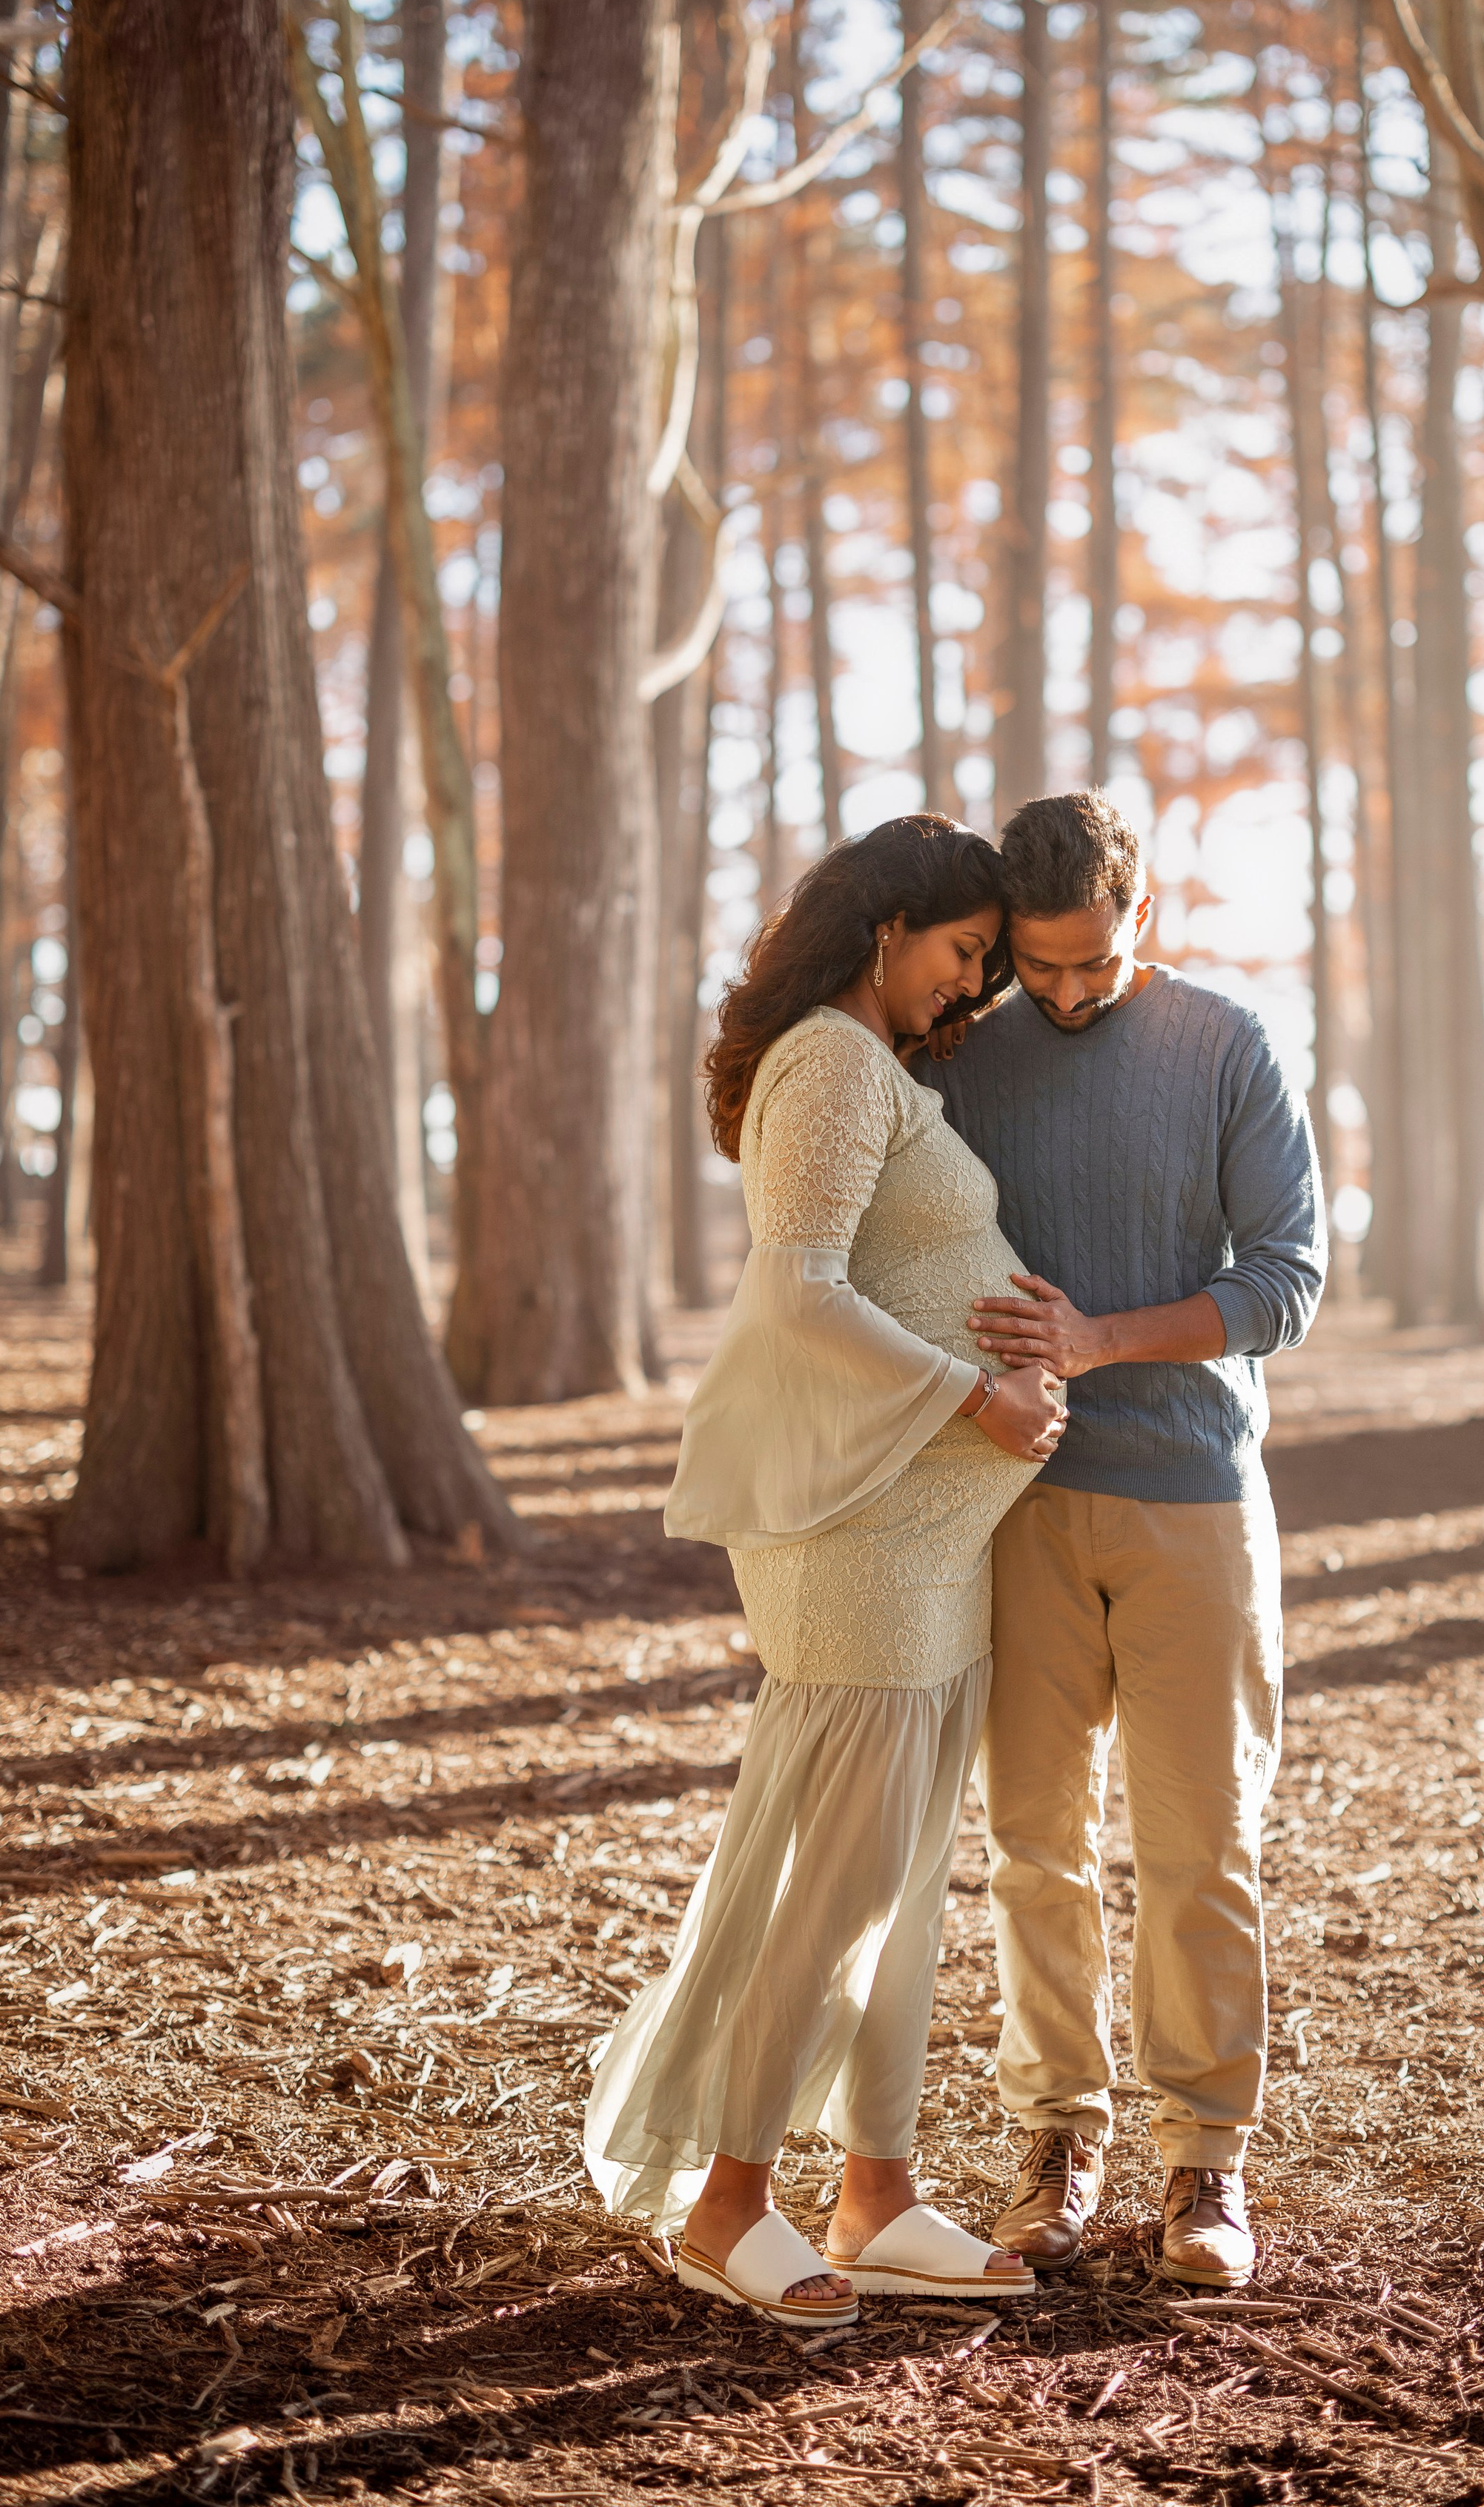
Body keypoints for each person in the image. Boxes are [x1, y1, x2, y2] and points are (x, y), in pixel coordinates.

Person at [584, 813, 1067, 2331]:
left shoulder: (881, 1069)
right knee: (841, 1876)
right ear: (882, 927)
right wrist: (972, 1395)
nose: (970, 987)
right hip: (862, 1539)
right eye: (960, 952)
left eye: (987, 962)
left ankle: (874, 2190)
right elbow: (793, 1295)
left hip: (936, 1539)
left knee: (912, 1874)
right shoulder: (830, 1062)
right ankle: (727, 2201)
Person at [922, 789, 1325, 2288]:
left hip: (1193, 1502)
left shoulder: (1223, 1045)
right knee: (1032, 1843)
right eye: (1043, 970)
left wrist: (1095, 1342)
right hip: (1011, 1506)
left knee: (1195, 1846)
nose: (1072, 993)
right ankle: (1056, 2140)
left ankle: (1203, 2166)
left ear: (1137, 909)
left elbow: (1283, 1281)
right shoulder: (969, 1059)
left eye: (1095, 961)